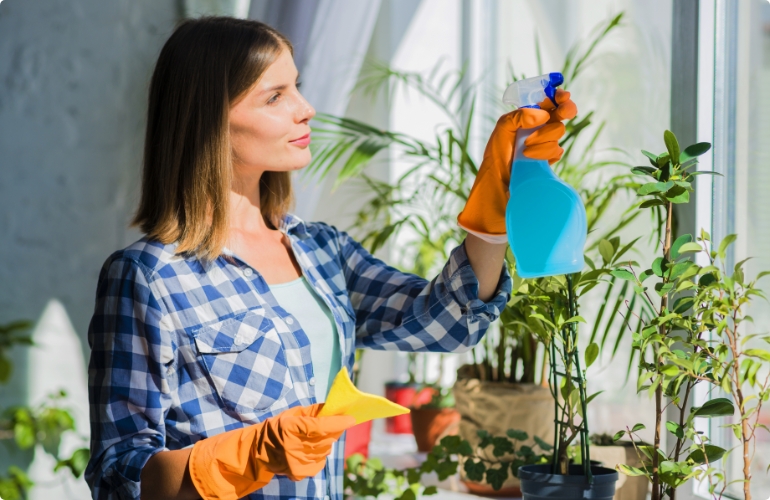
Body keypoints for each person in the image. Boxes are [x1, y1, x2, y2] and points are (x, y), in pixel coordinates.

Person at [85, 16, 576, 500]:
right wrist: (250, 455)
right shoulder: (149, 277)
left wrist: (498, 188)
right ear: (209, 118)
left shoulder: (321, 252)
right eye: (275, 97)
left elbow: (449, 322)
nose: (306, 109)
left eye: (296, 87)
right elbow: (118, 475)